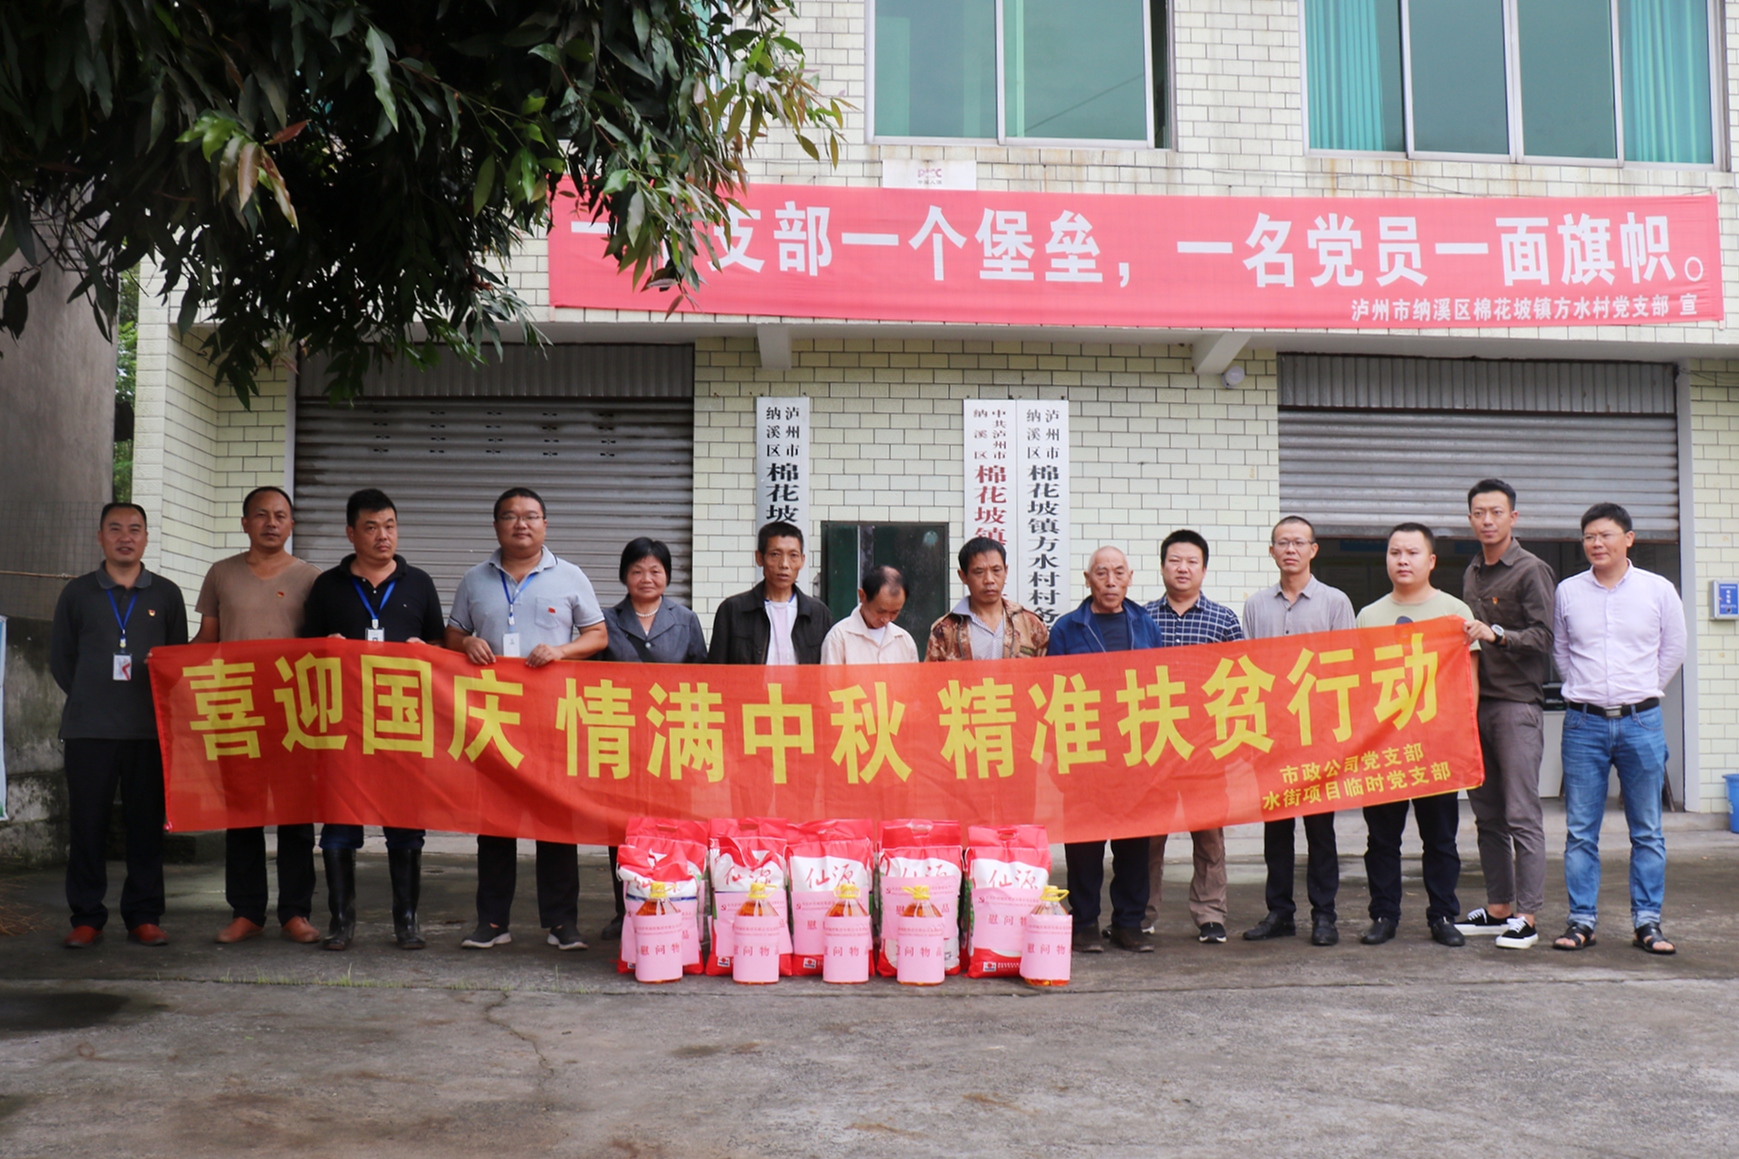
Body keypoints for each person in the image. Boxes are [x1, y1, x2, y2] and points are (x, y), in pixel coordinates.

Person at [445, 487, 609, 952]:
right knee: (495, 822)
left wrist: (561, 651)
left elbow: (597, 635)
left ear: (545, 524)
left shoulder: (570, 576)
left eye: (531, 516)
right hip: (492, 719)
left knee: (555, 820)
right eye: (511, 516)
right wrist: (466, 644)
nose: (521, 524)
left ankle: (561, 923)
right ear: (496, 524)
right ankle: (492, 921)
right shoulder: (474, 579)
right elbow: (452, 635)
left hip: (550, 718)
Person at [300, 489, 446, 951]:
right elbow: (305, 649)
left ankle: (407, 922)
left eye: (390, 526)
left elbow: (440, 646)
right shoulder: (328, 585)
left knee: (405, 824)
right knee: (340, 824)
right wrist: (328, 647)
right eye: (371, 527)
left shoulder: (419, 582)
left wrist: (427, 652)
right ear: (351, 533)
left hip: (402, 724)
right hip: (345, 726)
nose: (383, 536)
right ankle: (341, 922)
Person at [50, 503, 189, 948]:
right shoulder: (78, 593)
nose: (125, 537)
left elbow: (177, 660)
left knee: (146, 827)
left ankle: (144, 916)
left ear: (146, 537)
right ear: (100, 537)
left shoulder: (166, 594)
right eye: (115, 529)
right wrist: (91, 696)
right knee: (87, 825)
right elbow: (61, 660)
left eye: (134, 529)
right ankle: (87, 917)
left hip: (148, 732)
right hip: (89, 730)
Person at [1552, 503, 1686, 955]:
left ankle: (1647, 922)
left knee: (1647, 829)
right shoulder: (1569, 591)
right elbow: (1561, 651)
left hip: (1641, 722)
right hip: (1583, 723)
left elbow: (1674, 647)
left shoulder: (1657, 589)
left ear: (1628, 538)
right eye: (1589, 536)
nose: (1596, 543)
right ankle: (1581, 921)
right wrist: (1583, 689)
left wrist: (1643, 690)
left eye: (1605, 535)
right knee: (1580, 831)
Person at [194, 486, 324, 945]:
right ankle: (247, 911)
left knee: (296, 817)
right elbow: (206, 639)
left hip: (293, 714)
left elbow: (325, 648)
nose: (271, 523)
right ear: (245, 523)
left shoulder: (312, 578)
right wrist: (166, 663)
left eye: (280, 515)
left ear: (291, 525)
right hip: (238, 711)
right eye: (262, 515)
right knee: (243, 815)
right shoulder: (221, 573)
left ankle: (295, 912)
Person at [1356, 523, 1477, 948]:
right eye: (1395, 553)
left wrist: (1461, 735)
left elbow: (1468, 682)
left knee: (1440, 838)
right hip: (1383, 747)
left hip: (1437, 746)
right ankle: (1383, 915)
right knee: (1381, 839)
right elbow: (1359, 684)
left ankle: (1442, 914)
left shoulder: (1455, 612)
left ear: (1431, 560)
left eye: (1412, 553)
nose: (1402, 561)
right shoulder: (1369, 616)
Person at [1240, 516, 1356, 948]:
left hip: (1318, 735)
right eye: (1282, 543)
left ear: (1313, 550)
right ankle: (1280, 912)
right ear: (1271, 551)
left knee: (1320, 830)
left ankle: (1324, 915)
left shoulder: (1335, 602)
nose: (1290, 549)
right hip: (1272, 736)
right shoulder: (1256, 605)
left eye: (1298, 542)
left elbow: (1346, 666)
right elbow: (1248, 669)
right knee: (1276, 830)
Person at [1457, 480, 1557, 951]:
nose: (1487, 520)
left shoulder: (1531, 570)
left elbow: (1544, 637)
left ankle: (1527, 916)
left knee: (1521, 813)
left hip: (1516, 706)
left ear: (1513, 517)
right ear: (1470, 519)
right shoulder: (1472, 571)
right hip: (1476, 704)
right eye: (1479, 513)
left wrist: (1497, 635)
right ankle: (1498, 908)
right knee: (1487, 815)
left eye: (1496, 512)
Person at [1051, 546, 1165, 955]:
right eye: (1101, 573)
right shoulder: (1067, 628)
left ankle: (1128, 924)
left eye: (1119, 572)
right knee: (1084, 845)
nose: (1111, 581)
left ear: (1130, 577)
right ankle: (1083, 923)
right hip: (1085, 754)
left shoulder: (1146, 625)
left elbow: (1160, 685)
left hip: (1134, 753)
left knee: (1134, 845)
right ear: (1088, 579)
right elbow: (1052, 694)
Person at [596, 536, 708, 942]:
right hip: (623, 738)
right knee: (623, 827)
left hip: (671, 738)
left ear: (667, 576)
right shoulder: (604, 620)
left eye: (655, 570)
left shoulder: (686, 620)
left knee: (670, 821)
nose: (646, 578)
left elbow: (703, 677)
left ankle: (672, 900)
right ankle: (624, 908)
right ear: (624, 575)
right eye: (637, 570)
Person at [1142, 529, 1244, 945]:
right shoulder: (1141, 617)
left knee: (1209, 838)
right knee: (1147, 838)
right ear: (1162, 566)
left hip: (1206, 749)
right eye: (1175, 561)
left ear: (1203, 569)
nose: (1182, 569)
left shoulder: (1224, 620)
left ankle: (1210, 915)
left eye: (1191, 562)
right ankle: (1141, 914)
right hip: (1154, 746)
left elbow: (1241, 681)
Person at [708, 521, 833, 665]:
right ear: (760, 558)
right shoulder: (733, 610)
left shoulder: (818, 613)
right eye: (775, 554)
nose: (784, 564)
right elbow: (715, 669)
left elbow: (828, 668)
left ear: (802, 561)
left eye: (793, 555)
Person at [925, 537, 1049, 661]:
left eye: (996, 570)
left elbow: (1048, 670)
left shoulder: (1031, 624)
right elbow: (932, 672)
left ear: (1006, 571)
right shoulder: (945, 630)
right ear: (963, 576)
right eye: (979, 572)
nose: (989, 580)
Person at [821, 565, 919, 664]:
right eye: (880, 611)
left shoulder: (905, 641)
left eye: (894, 612)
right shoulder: (838, 639)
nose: (886, 619)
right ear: (862, 596)